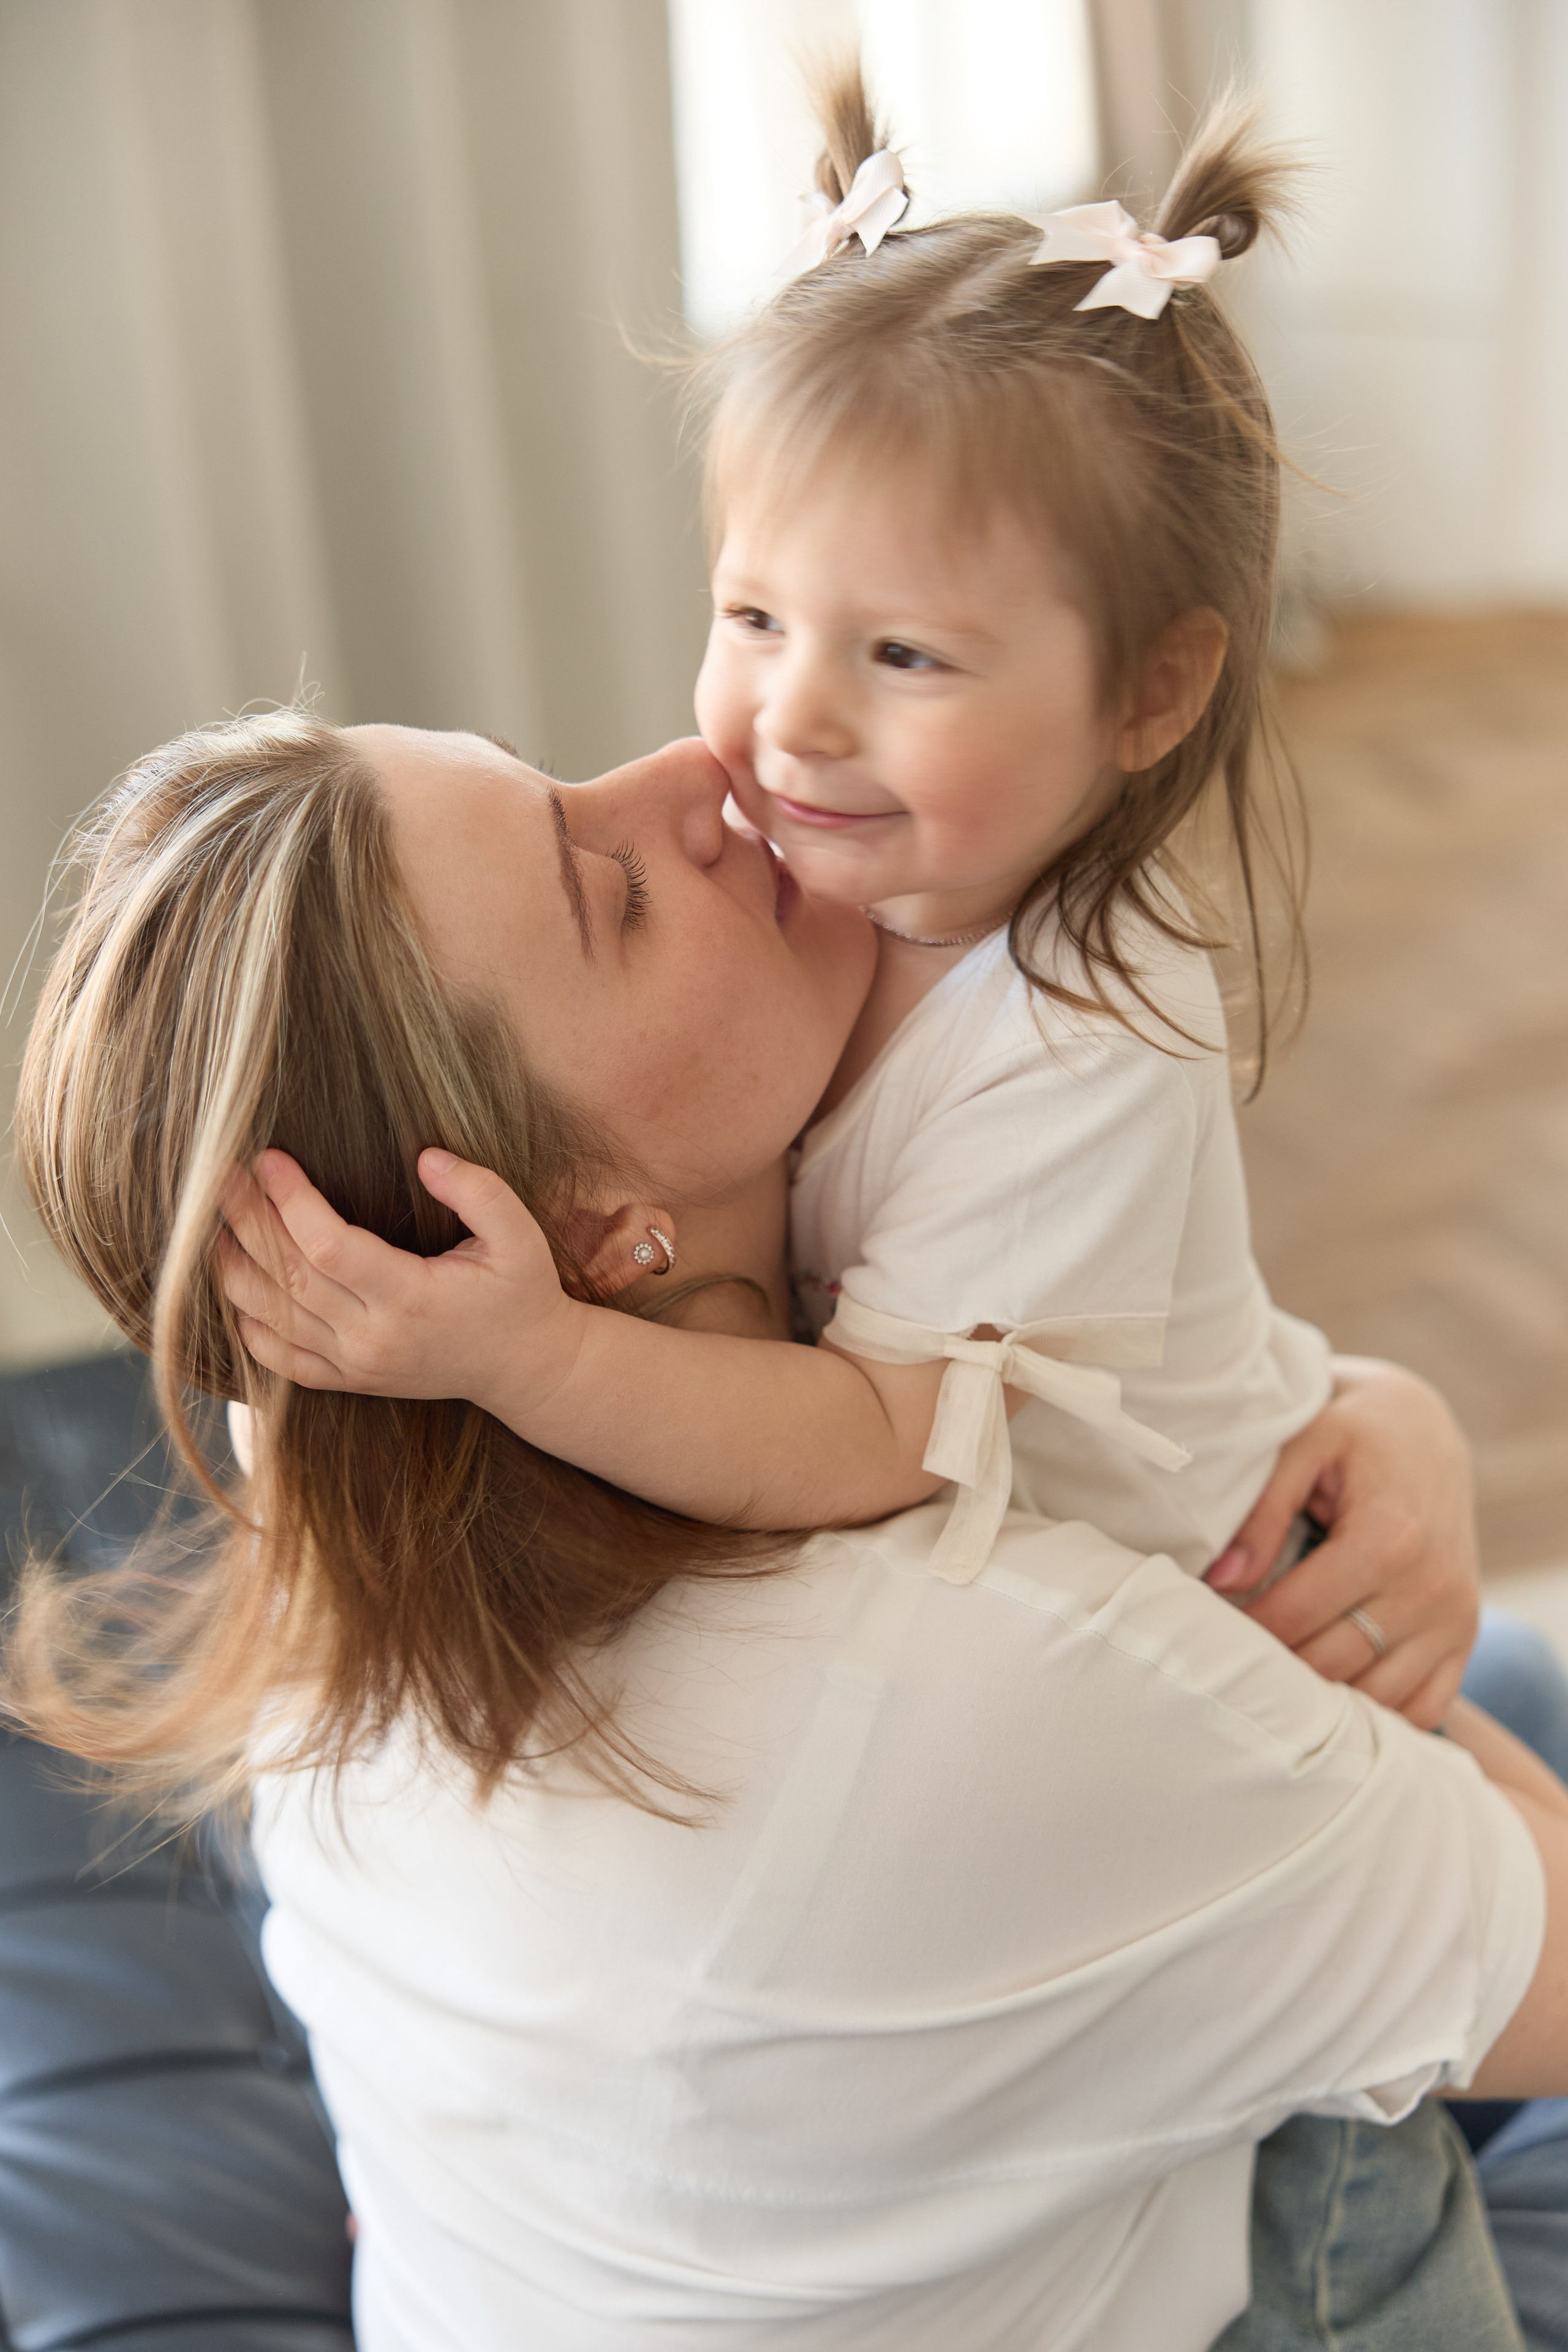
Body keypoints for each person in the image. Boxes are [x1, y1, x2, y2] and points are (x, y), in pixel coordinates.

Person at [10, 706, 1568, 2351]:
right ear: (593, 1233)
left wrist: (1383, 1419)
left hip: (559, 2241)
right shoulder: (961, 1690)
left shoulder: (339, 1434)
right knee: (1509, 1708)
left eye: (557, 775)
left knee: (1514, 1668)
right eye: (609, 895)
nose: (697, 771)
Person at [222, 74, 1470, 1725]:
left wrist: (529, 1358)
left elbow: (884, 1440)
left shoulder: (1085, 1025)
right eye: (753, 616)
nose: (791, 718)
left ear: (1148, 697)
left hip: (1250, 1621)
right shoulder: (826, 862)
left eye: (902, 655)